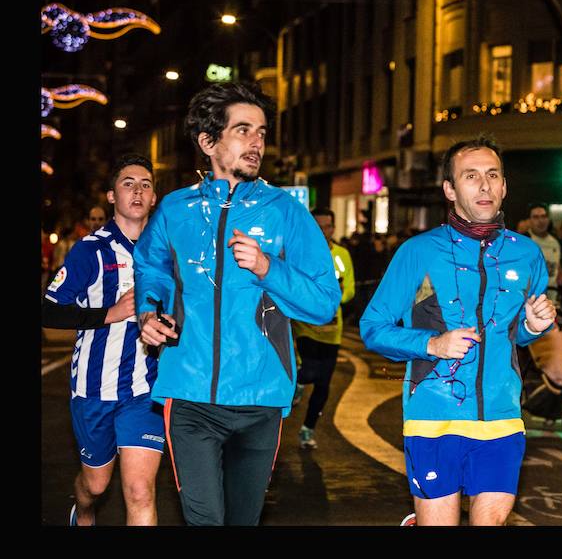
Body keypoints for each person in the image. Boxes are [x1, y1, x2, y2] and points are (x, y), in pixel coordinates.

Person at [134, 82, 341, 526]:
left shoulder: (285, 212)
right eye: (243, 130)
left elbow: (325, 303)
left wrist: (268, 268)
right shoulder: (175, 209)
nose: (256, 142)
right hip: (189, 395)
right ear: (208, 142)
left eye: (261, 132)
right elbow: (152, 269)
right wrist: (149, 312)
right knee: (205, 520)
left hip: (260, 398)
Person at [360, 136, 556, 526]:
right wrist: (432, 343)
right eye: (471, 176)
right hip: (434, 416)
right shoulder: (418, 252)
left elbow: (515, 334)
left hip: (502, 416)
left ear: (504, 186)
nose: (484, 186)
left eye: (492, 175)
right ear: (450, 189)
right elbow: (373, 327)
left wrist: (533, 328)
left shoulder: (528, 254)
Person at [42, 153, 163, 526]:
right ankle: (84, 510)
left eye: (145, 184)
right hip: (94, 388)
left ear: (154, 197)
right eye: (128, 183)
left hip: (146, 389)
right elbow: (48, 310)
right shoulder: (90, 250)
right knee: (95, 485)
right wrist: (108, 314)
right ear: (112, 196)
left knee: (140, 491)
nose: (138, 191)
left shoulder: (165, 253)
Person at [292, 206, 356, 449]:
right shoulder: (298, 252)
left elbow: (350, 287)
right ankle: (298, 383)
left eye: (326, 226)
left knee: (323, 383)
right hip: (305, 325)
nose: (322, 231)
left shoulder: (342, 255)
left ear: (333, 228)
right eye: (317, 227)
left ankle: (308, 429)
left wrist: (336, 297)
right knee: (309, 370)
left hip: (332, 328)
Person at [526, 202, 562, 306]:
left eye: (544, 216)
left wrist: (561, 275)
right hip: (530, 299)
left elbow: (557, 267)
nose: (540, 221)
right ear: (529, 220)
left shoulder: (555, 242)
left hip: (552, 298)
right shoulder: (524, 242)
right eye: (536, 217)